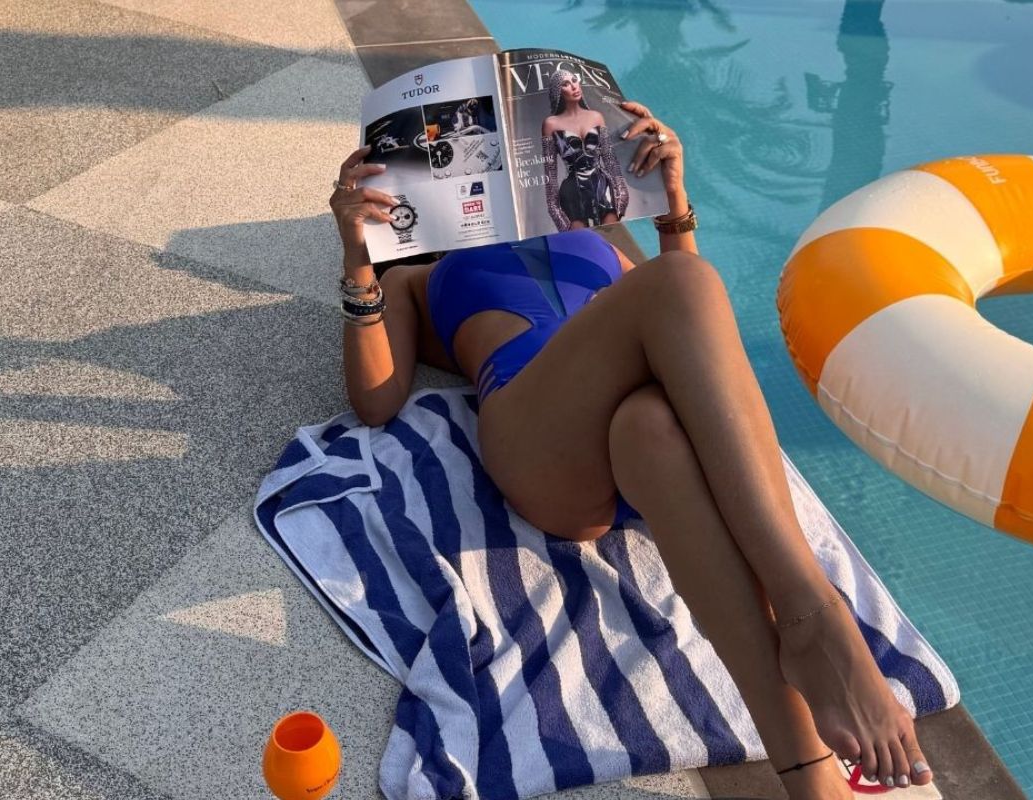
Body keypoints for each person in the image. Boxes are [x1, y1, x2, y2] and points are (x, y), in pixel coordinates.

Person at [328, 98, 933, 800]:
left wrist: (673, 198)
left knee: (653, 424)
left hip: (637, 445)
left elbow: (698, 339)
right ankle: (812, 614)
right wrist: (357, 254)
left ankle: (808, 775)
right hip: (539, 439)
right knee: (678, 282)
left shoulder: (585, 229)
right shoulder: (416, 277)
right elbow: (375, 402)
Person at [541, 69, 629, 231]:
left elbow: (610, 160)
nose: (573, 86)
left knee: (613, 235)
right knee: (581, 241)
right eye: (565, 84)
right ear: (557, 92)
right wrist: (555, 211)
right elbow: (550, 175)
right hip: (572, 191)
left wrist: (622, 193)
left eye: (574, 80)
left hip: (602, 185)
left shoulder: (596, 116)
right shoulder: (550, 124)